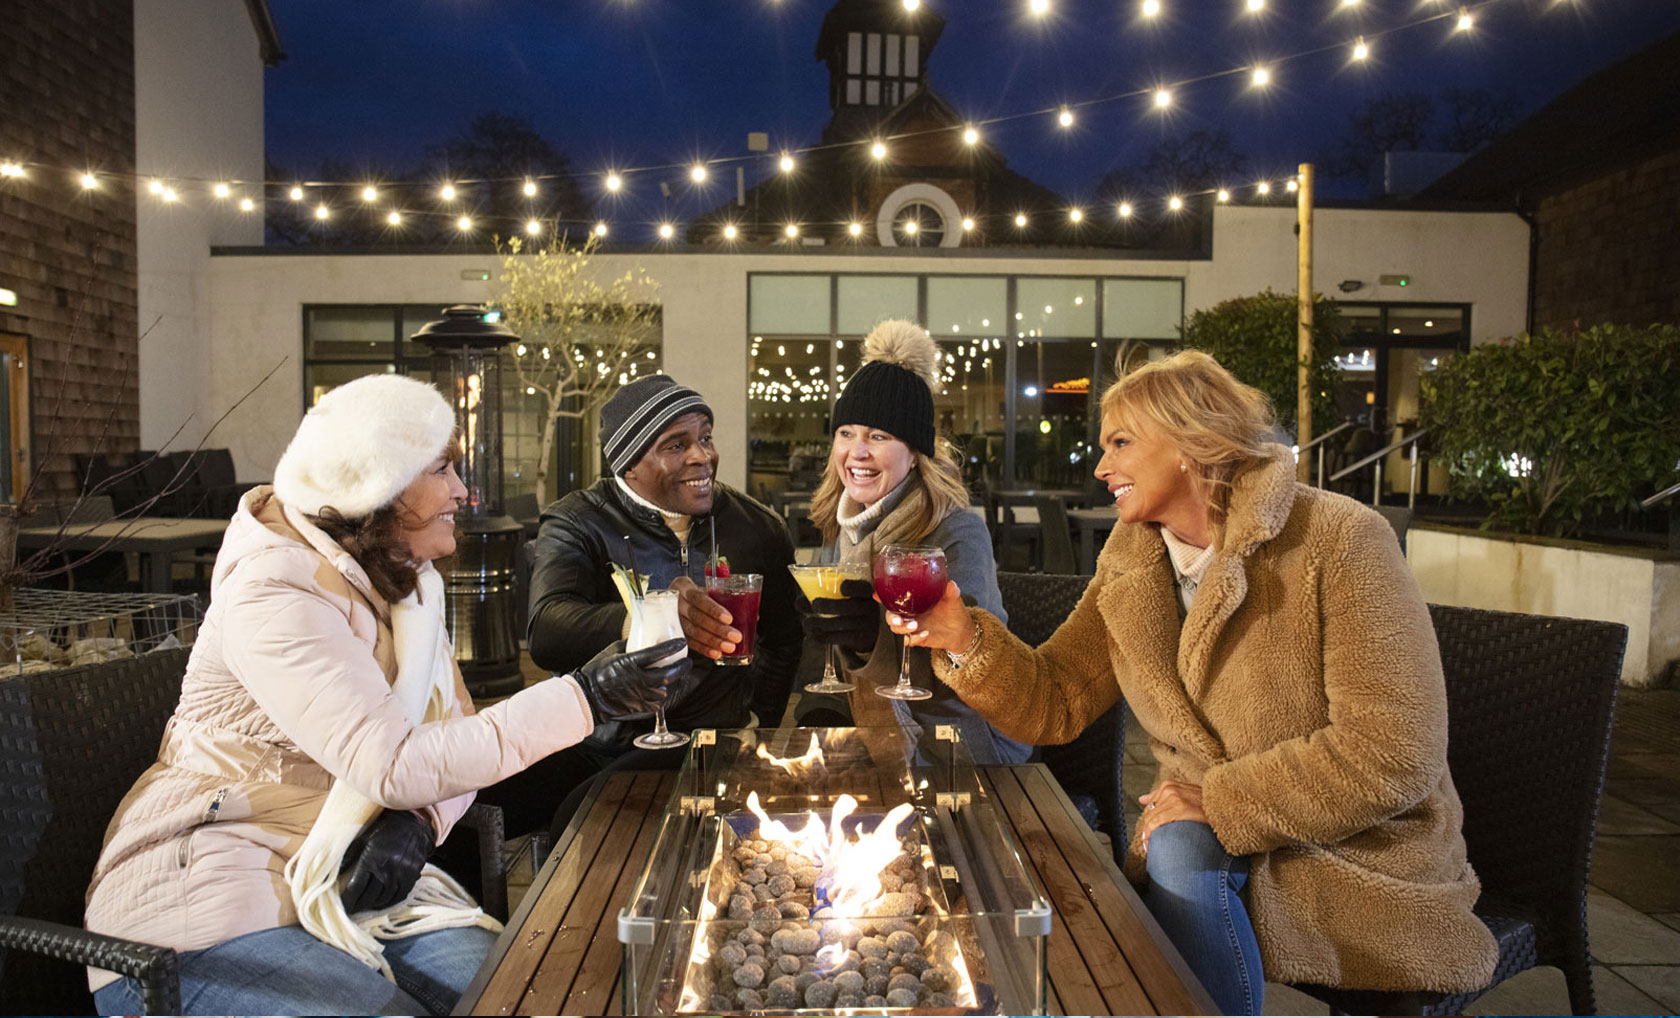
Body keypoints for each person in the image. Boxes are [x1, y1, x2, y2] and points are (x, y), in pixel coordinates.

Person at [888, 350, 1498, 1013]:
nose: (1100, 467)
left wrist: (1221, 799)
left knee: (1176, 848)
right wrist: (965, 637)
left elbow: (1395, 748)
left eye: (1120, 443)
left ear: (1190, 443)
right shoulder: (1133, 561)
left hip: (1356, 851)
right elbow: (1057, 701)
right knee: (1172, 851)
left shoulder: (1340, 540)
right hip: (1209, 845)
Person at [83, 375, 686, 1016]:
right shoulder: (273, 592)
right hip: (209, 896)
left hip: (346, 880)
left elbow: (449, 741)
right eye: (444, 469)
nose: (464, 491)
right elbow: (397, 764)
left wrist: (418, 822)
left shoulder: (406, 584)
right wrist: (585, 699)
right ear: (378, 486)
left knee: (536, 998)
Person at [518, 374, 800, 837]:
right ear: (630, 463)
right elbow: (547, 633)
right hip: (597, 738)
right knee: (462, 807)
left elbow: (784, 642)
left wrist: (757, 725)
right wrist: (653, 616)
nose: (702, 456)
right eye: (676, 445)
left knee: (583, 816)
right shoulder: (578, 520)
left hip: (714, 739)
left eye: (705, 439)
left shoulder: (759, 526)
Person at [794, 319, 1031, 766]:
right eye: (846, 433)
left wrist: (874, 641)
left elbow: (980, 664)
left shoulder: (956, 531)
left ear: (915, 451)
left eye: (879, 437)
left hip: (964, 740)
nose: (857, 452)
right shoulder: (844, 524)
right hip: (874, 723)